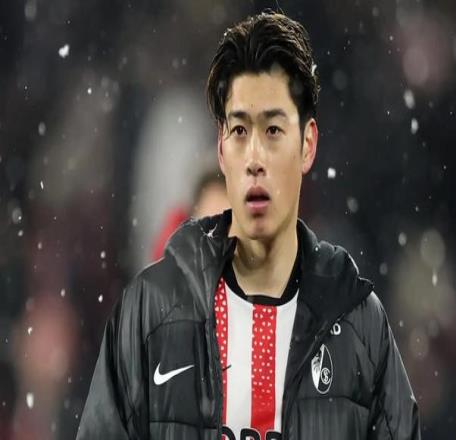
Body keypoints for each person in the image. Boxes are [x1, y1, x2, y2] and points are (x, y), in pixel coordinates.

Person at [77, 11, 421, 440]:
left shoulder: (359, 324)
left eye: (273, 130)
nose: (255, 158)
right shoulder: (148, 315)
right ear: (222, 149)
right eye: (240, 131)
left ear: (307, 145)